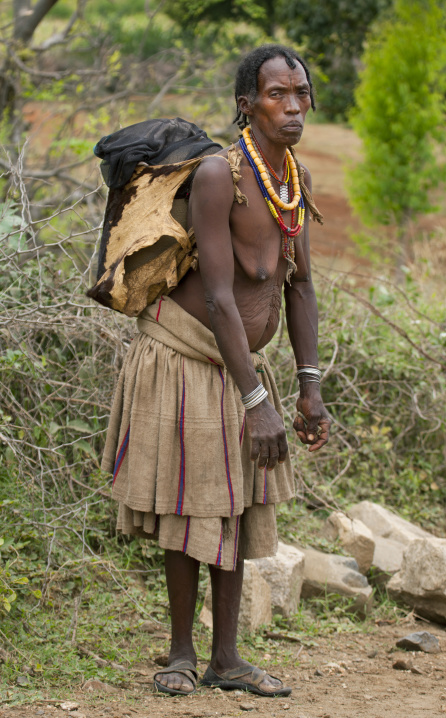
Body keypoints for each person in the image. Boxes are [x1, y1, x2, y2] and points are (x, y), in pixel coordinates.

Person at [101, 44, 331, 698]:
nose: (292, 107)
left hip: (238, 363)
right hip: (187, 353)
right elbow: (222, 295)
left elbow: (300, 286)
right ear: (246, 104)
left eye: (301, 94)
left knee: (235, 504)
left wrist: (308, 386)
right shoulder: (217, 177)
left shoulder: (295, 182)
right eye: (276, 94)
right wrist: (257, 399)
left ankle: (226, 658)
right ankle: (179, 653)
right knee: (192, 503)